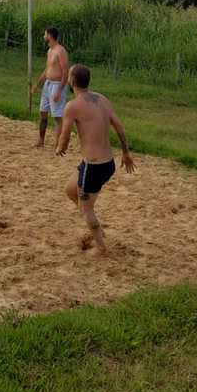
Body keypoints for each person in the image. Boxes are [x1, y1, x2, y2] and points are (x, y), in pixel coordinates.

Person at [56, 64, 136, 255]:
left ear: (73, 82)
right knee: (70, 189)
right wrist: (125, 153)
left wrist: (61, 147)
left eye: (69, 76)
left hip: (93, 166)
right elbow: (120, 127)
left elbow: (65, 136)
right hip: (107, 164)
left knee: (86, 209)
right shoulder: (102, 99)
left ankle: (101, 247)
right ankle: (94, 225)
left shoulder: (72, 106)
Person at [33, 26, 69, 148]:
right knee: (43, 113)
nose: (44, 36)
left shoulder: (61, 51)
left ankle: (58, 144)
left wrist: (59, 90)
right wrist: (38, 84)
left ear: (50, 36)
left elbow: (65, 72)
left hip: (57, 85)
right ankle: (41, 141)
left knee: (58, 116)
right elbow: (47, 70)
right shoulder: (49, 51)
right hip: (48, 84)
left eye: (45, 34)